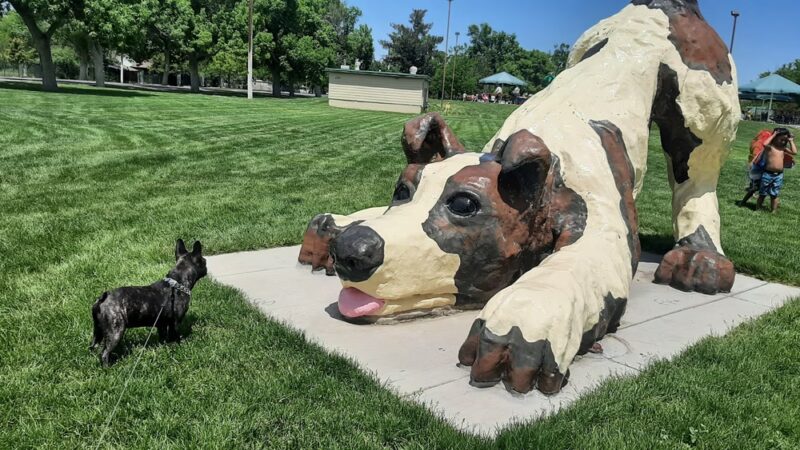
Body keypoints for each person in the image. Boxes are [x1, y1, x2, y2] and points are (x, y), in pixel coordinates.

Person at [755, 128, 797, 213]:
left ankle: (773, 211)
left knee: (774, 194)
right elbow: (764, 143)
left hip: (778, 175)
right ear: (775, 138)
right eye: (781, 139)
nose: (783, 141)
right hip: (767, 174)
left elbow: (794, 152)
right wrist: (773, 135)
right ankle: (758, 208)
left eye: (784, 140)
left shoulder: (783, 148)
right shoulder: (770, 147)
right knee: (762, 193)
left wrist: (790, 141)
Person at [738, 130, 772, 207]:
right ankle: (744, 201)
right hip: (757, 168)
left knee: (756, 186)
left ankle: (747, 201)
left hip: (761, 168)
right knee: (755, 186)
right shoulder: (759, 145)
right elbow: (755, 158)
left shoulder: (759, 144)